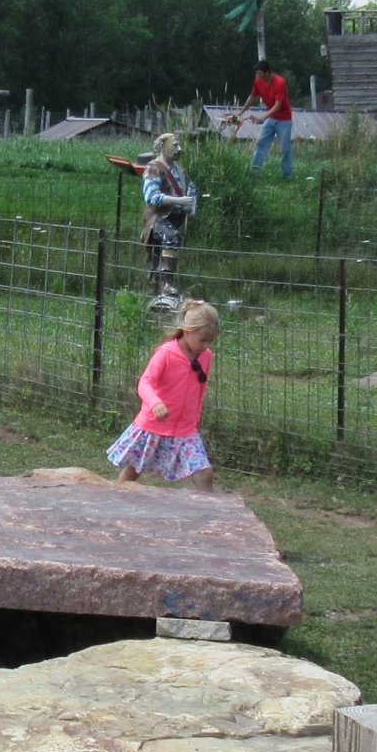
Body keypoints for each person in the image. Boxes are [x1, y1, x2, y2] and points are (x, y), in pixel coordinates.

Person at [107, 299, 219, 489]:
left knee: (204, 474)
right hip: (153, 426)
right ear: (187, 330)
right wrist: (155, 403)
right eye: (203, 340)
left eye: (210, 340)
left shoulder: (205, 356)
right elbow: (145, 382)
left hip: (185, 431)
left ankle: (209, 515)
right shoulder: (165, 354)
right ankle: (112, 499)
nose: (206, 345)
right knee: (133, 470)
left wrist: (194, 418)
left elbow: (200, 388)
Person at [138, 132, 196, 299]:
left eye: (179, 145)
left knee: (163, 251)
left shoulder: (180, 169)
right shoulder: (154, 168)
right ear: (163, 146)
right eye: (174, 145)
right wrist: (179, 201)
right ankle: (166, 284)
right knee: (170, 237)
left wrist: (191, 206)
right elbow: (152, 197)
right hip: (159, 218)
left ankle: (158, 285)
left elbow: (192, 188)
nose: (179, 149)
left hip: (177, 218)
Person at [242, 63, 294, 178]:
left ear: (267, 72)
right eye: (257, 74)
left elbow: (278, 105)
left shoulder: (279, 82)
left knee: (285, 149)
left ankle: (287, 176)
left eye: (259, 73)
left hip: (284, 119)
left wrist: (262, 117)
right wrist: (241, 112)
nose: (257, 76)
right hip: (271, 118)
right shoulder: (258, 81)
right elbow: (252, 97)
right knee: (260, 144)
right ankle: (254, 173)